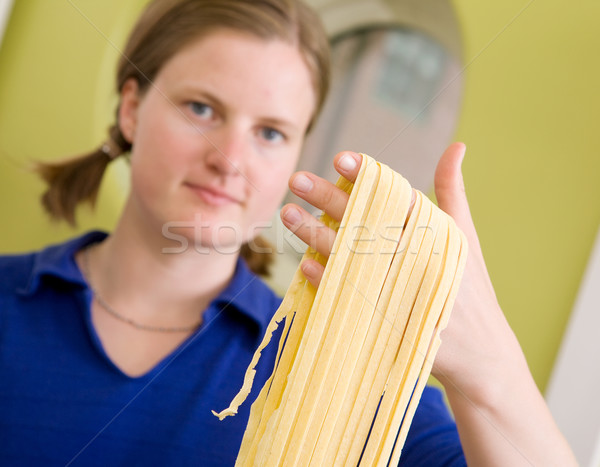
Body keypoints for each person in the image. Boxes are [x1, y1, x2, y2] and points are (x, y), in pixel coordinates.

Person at [0, 0, 576, 465]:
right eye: (201, 108)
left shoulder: (333, 369)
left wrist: (488, 369)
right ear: (131, 108)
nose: (230, 159)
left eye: (271, 133)